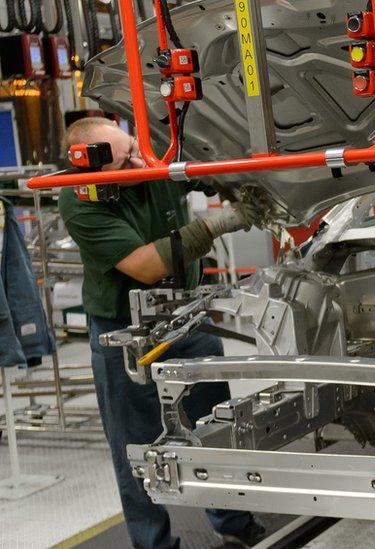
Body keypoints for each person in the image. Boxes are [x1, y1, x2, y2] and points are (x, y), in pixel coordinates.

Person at [59, 117, 265, 548]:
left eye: (134, 147)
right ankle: (154, 544)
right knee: (135, 449)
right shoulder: (80, 201)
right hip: (125, 334)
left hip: (186, 319)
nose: (140, 161)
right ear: (94, 174)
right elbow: (147, 266)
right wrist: (218, 224)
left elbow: (212, 169)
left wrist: (239, 182)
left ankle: (236, 524)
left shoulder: (150, 155)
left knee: (216, 427)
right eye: (125, 161)